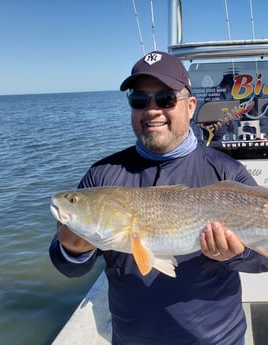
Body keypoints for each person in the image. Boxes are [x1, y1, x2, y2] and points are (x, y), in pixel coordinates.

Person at [49, 51, 268, 345]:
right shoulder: (101, 176)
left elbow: (262, 262)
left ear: (190, 107)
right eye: (139, 100)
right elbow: (69, 267)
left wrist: (236, 253)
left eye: (165, 99)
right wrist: (74, 247)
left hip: (218, 339)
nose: (151, 110)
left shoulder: (227, 171)